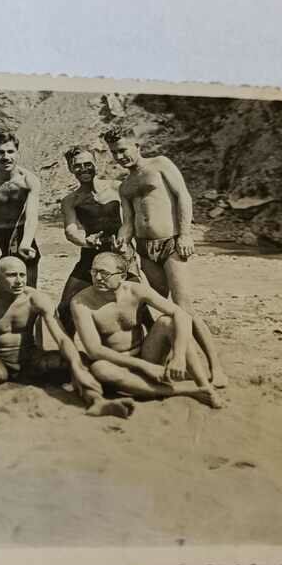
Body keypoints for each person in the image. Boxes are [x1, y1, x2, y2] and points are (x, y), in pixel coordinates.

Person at [103, 125, 225, 386]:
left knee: (184, 308)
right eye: (114, 153)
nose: (120, 156)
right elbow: (129, 220)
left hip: (170, 243)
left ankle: (216, 368)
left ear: (137, 146)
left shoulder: (160, 164)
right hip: (146, 250)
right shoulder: (125, 186)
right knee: (158, 307)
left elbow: (184, 197)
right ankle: (169, 357)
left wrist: (185, 234)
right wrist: (123, 236)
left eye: (123, 150)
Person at [0, 256, 134, 421]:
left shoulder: (35, 298)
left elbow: (62, 339)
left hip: (31, 360)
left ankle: (96, 401)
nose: (19, 281)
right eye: (11, 275)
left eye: (22, 275)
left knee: (80, 361)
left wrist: (76, 367)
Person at [71, 252, 223, 409]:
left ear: (122, 276)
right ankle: (184, 390)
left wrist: (178, 357)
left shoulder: (136, 291)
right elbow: (94, 350)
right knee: (100, 369)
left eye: (105, 273)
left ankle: (204, 386)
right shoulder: (81, 302)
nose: (98, 278)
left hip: (147, 354)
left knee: (167, 322)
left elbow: (182, 315)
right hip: (117, 363)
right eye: (94, 272)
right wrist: (144, 367)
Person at [56, 145, 135, 335]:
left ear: (95, 163)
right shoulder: (70, 200)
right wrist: (86, 241)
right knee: (65, 307)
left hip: (121, 252)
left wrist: (123, 241)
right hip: (91, 254)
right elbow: (70, 230)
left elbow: (129, 220)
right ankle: (69, 357)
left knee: (135, 302)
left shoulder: (117, 188)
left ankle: (148, 350)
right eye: (77, 166)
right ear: (70, 168)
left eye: (87, 164)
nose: (83, 169)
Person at [0, 131, 42, 288]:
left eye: (10, 151)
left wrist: (26, 243)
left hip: (21, 233)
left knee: (28, 289)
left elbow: (31, 217)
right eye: (0, 152)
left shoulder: (29, 180)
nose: (6, 157)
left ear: (17, 153)